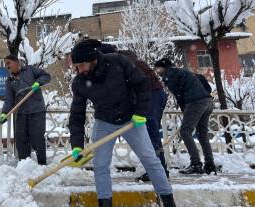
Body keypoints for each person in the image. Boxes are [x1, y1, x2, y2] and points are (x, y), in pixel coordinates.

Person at [68, 39, 175, 207]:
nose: (78, 70)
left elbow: (142, 85)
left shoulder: (118, 62)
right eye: (76, 66)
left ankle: (168, 200)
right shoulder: (80, 82)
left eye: (81, 65)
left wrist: (140, 113)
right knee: (100, 165)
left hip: (131, 119)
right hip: (104, 121)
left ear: (92, 59)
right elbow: (77, 115)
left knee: (150, 159)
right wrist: (76, 145)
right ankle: (105, 203)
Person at [154, 58, 216, 175]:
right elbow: (203, 82)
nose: (157, 71)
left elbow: (179, 94)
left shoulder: (169, 75)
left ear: (163, 67)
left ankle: (196, 164)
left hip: (195, 103)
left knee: (185, 132)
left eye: (157, 68)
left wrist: (185, 110)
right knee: (202, 134)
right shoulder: (183, 72)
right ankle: (210, 164)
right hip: (207, 102)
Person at [117, 50, 169, 182]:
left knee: (151, 135)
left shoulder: (122, 61)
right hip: (155, 94)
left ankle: (159, 171)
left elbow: (132, 85)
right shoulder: (127, 58)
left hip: (151, 95)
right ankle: (159, 170)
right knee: (151, 134)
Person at [0, 54, 51, 165]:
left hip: (36, 110)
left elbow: (47, 76)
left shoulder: (30, 70)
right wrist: (4, 113)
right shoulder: (9, 81)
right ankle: (24, 165)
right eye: (5, 64)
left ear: (16, 62)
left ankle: (42, 165)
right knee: (21, 140)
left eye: (8, 63)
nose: (6, 66)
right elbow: (9, 100)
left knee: (37, 138)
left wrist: (39, 82)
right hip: (21, 113)